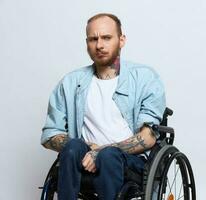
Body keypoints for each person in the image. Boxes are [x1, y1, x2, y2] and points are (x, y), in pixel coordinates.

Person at [41, 13, 166, 200]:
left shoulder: (145, 78)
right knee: (73, 146)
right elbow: (49, 135)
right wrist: (89, 148)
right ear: (87, 43)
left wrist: (100, 152)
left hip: (131, 162)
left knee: (108, 156)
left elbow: (147, 138)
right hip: (84, 159)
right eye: (93, 39)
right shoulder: (70, 83)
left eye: (107, 37)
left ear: (121, 40)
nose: (99, 45)